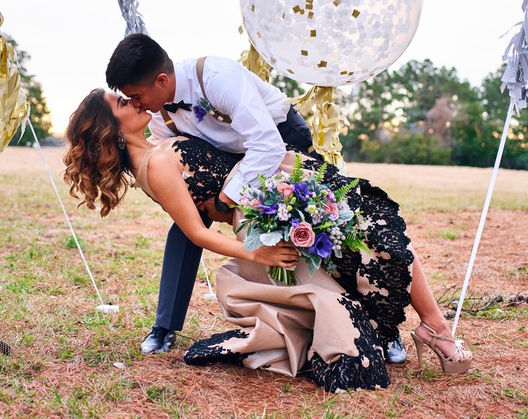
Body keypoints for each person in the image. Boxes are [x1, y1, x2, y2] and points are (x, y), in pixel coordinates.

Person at [62, 89, 473, 392]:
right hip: (264, 207)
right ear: (109, 127)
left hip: (274, 180)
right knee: (372, 239)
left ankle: (429, 329)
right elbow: (197, 232)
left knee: (374, 232)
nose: (133, 100)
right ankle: (433, 330)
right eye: (121, 103)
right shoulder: (155, 165)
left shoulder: (156, 143)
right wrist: (255, 251)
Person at [104, 34, 407, 363]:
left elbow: (267, 145)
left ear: (162, 80)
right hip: (223, 161)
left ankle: (386, 328)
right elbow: (172, 155)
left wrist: (227, 196)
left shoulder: (217, 78)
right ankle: (164, 327)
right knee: (186, 228)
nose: (134, 103)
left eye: (136, 95)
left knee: (320, 226)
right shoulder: (159, 111)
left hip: (278, 140)